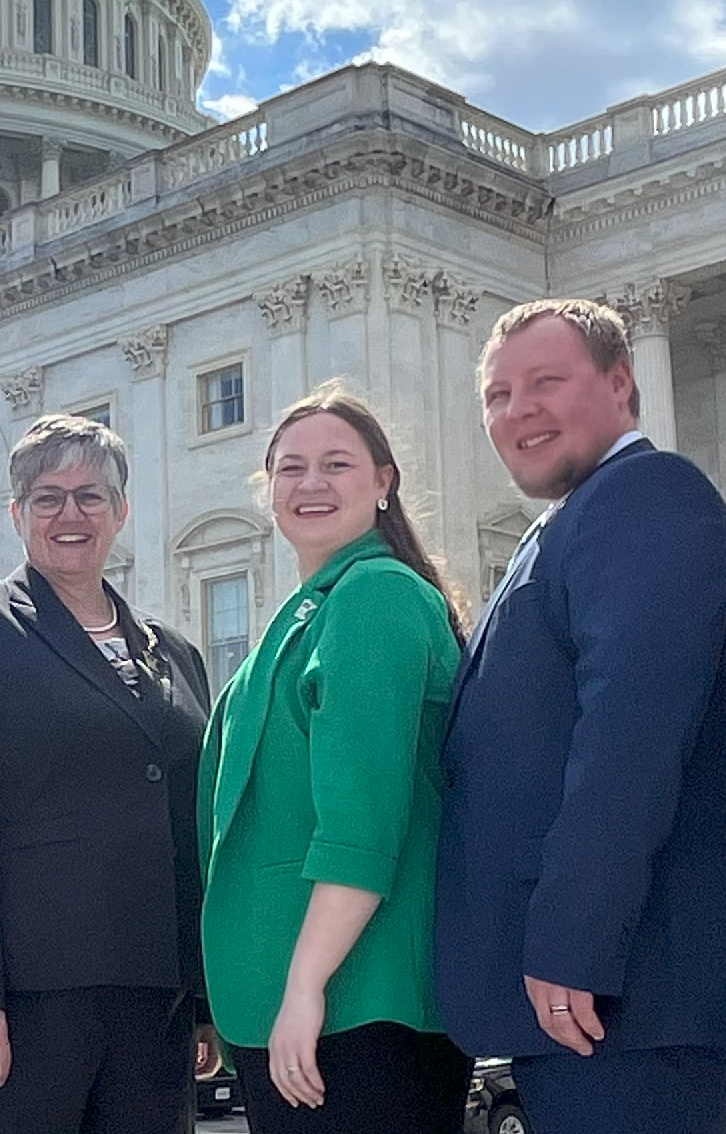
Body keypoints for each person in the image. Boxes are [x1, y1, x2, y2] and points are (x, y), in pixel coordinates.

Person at [436, 299, 726, 1134]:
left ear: (620, 384)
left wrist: (574, 941)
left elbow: (629, 744)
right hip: (605, 995)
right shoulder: (575, 520)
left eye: (545, 382)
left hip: (632, 983)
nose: (516, 410)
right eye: (496, 395)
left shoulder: (646, 498)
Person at [0, 414, 214, 1134]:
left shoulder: (176, 654)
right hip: (20, 1005)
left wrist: (198, 999)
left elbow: (188, 827)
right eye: (48, 497)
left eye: (91, 495)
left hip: (153, 1002)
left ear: (121, 511)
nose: (71, 513)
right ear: (17, 514)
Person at [197, 384, 468, 1133]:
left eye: (336, 464)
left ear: (384, 483)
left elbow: (363, 819)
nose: (310, 484)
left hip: (355, 1002)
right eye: (290, 468)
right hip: (299, 1001)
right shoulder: (314, 606)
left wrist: (306, 986)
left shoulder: (374, 595)